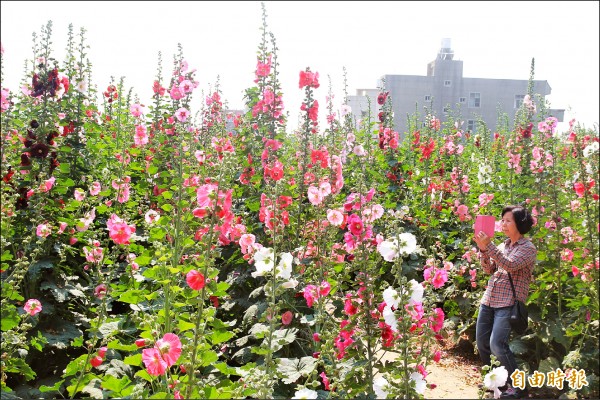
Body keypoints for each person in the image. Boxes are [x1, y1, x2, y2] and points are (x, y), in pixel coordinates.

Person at [473, 205, 537, 399]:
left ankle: (518, 387)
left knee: (497, 345)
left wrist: (489, 246)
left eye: (508, 220)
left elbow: (510, 265)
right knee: (483, 343)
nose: (503, 223)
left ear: (520, 224)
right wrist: (484, 250)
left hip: (508, 302)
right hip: (489, 300)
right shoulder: (503, 245)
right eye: (503, 220)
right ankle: (496, 383)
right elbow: (488, 269)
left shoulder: (528, 248)